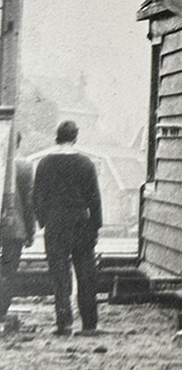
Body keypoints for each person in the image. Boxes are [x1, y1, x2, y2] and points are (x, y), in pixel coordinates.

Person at [32, 120, 102, 337]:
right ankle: (89, 324)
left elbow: (37, 197)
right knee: (85, 274)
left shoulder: (44, 163)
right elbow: (95, 199)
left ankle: (64, 323)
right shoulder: (86, 164)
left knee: (60, 275)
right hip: (81, 223)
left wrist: (44, 220)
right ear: (75, 137)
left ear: (57, 137)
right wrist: (95, 227)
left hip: (56, 224)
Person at [0, 132, 35, 332]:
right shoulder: (23, 166)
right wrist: (30, 231)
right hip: (14, 228)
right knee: (8, 271)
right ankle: (1, 311)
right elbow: (28, 202)